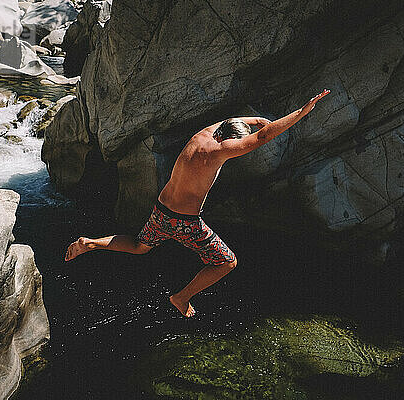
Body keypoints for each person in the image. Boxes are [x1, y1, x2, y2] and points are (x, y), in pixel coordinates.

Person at [65, 89, 331, 317]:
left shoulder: (204, 134)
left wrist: (257, 119)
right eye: (237, 144)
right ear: (230, 141)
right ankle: (181, 297)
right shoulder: (220, 150)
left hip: (161, 210)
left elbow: (233, 121)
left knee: (139, 246)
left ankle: (90, 242)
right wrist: (302, 112)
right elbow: (262, 138)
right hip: (184, 222)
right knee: (227, 262)